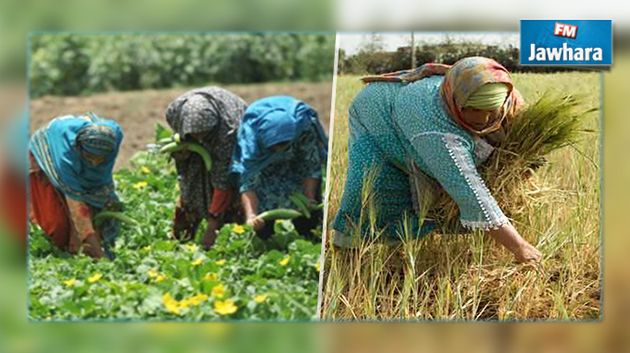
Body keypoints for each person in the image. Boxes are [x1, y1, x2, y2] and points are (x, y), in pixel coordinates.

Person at [332, 57, 542, 263]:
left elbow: (529, 139)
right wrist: (519, 246)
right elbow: (468, 190)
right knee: (375, 183)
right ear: (456, 102)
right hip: (376, 112)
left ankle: (397, 252)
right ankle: (347, 252)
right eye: (475, 110)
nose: (483, 119)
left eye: (491, 110)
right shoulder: (435, 130)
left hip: (410, 109)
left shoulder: (502, 93)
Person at [29, 113, 123, 259]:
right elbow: (77, 205)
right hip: (50, 150)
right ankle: (71, 249)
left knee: (99, 205)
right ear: (79, 149)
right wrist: (99, 255)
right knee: (57, 222)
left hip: (80, 149)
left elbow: (101, 177)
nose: (95, 163)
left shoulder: (113, 137)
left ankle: (87, 246)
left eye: (100, 159)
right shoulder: (65, 159)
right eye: (90, 158)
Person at [231, 96, 328, 237]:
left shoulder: (303, 130)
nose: (279, 151)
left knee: (309, 220)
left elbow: (310, 166)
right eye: (275, 146)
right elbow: (247, 182)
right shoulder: (251, 145)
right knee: (261, 228)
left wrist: (309, 197)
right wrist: (252, 215)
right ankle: (265, 239)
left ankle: (309, 233)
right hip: (264, 171)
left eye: (283, 145)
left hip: (294, 163)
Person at [165, 87, 247, 249]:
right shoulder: (176, 112)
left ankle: (234, 239)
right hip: (200, 124)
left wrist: (213, 223)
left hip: (228, 138)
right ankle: (181, 238)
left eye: (203, 134)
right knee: (190, 186)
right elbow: (182, 141)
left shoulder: (229, 131)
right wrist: (182, 152)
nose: (200, 138)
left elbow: (222, 180)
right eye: (196, 134)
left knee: (230, 188)